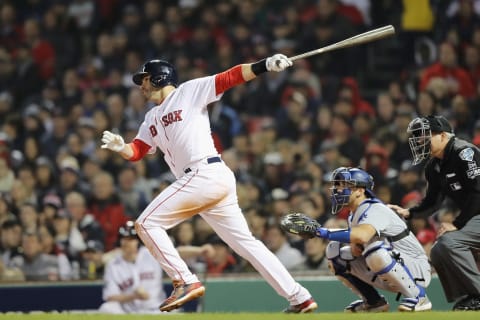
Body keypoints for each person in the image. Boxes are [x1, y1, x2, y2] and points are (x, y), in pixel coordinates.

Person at [100, 55, 317, 313]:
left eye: (144, 79)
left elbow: (229, 77)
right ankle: (299, 297)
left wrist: (265, 65)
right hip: (205, 180)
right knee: (246, 244)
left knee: (147, 223)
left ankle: (185, 280)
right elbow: (137, 152)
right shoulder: (151, 118)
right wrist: (121, 147)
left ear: (159, 77)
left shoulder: (188, 92)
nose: (141, 86)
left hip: (205, 172)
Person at [388, 115, 480, 311]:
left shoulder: (465, 152)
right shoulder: (434, 166)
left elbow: (478, 190)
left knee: (450, 242)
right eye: (417, 137)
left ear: (443, 135)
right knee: (438, 250)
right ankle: (470, 297)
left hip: (475, 213)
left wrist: (458, 224)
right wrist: (410, 212)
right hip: (474, 216)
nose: (420, 141)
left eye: (424, 136)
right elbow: (433, 201)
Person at [314, 167, 432, 312]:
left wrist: (323, 232)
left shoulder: (375, 208)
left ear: (360, 190)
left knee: (375, 251)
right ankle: (374, 302)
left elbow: (362, 235)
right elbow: (357, 247)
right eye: (337, 185)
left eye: (344, 185)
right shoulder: (353, 215)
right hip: (389, 267)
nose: (338, 189)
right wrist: (355, 246)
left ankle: (419, 297)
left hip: (414, 268)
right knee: (334, 251)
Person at [99, 221, 166, 314]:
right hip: (129, 312)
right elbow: (110, 296)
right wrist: (134, 296)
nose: (127, 242)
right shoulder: (113, 265)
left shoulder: (151, 254)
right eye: (124, 238)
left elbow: (175, 254)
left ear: (138, 241)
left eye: (131, 239)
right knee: (106, 308)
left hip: (156, 309)